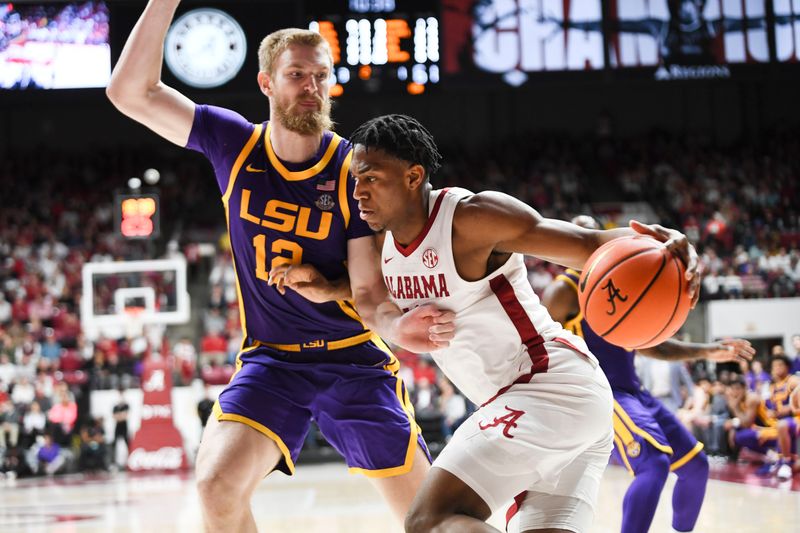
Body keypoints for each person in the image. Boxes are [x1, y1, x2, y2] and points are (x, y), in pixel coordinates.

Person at [107, 3, 445, 531]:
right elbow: (129, 93)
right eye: (296, 75)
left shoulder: (353, 167)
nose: (311, 87)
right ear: (266, 82)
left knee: (430, 520)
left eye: (320, 76)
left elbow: (368, 290)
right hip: (272, 363)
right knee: (216, 486)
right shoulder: (234, 144)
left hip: (353, 360)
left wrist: (354, 302)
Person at [334, 113, 701, 533]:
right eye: (355, 179)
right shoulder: (383, 242)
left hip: (548, 386)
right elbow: (365, 294)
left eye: (370, 178)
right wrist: (322, 286)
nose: (358, 191)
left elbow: (587, 245)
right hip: (549, 409)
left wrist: (667, 244)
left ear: (413, 176)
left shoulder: (471, 218)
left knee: (427, 520)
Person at [541, 215, 753, 533]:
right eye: (579, 231)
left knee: (696, 466)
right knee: (653, 465)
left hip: (634, 392)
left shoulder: (624, 278)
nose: (585, 237)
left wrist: (707, 350)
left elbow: (651, 345)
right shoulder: (564, 291)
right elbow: (536, 345)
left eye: (591, 231)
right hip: (602, 392)